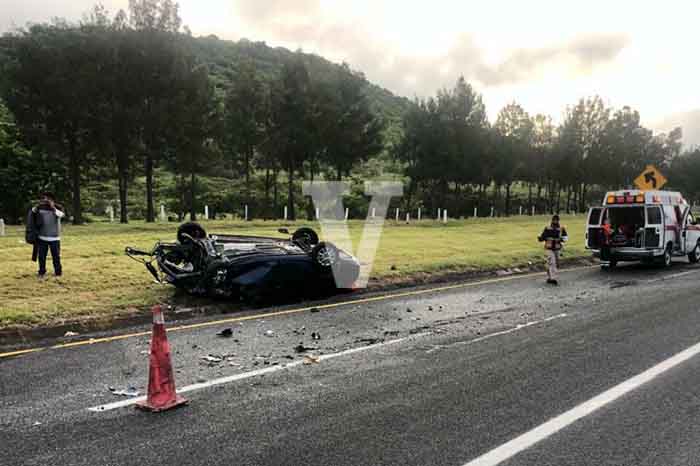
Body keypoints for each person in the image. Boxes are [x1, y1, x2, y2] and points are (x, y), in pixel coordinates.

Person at [32, 192, 64, 279]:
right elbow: (32, 212)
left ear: (52, 199)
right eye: (44, 198)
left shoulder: (58, 207)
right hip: (42, 237)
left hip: (55, 237)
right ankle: (41, 271)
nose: (45, 200)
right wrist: (37, 206)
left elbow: (61, 215)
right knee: (41, 257)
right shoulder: (40, 207)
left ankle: (58, 272)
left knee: (56, 256)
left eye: (47, 198)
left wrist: (53, 207)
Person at [538, 215, 568, 285]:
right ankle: (553, 278)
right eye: (554, 220)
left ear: (558, 221)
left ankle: (549, 277)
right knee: (552, 262)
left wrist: (561, 240)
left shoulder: (561, 229)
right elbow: (543, 237)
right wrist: (540, 238)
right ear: (552, 220)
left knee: (555, 263)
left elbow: (565, 238)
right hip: (549, 248)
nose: (555, 221)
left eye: (556, 220)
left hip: (557, 249)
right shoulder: (547, 228)